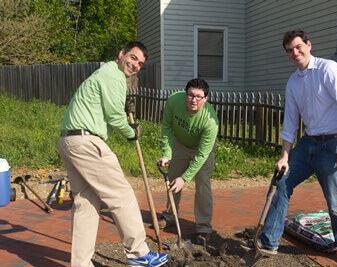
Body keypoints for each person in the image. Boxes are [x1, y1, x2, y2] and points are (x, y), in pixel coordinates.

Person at [245, 30, 337, 267]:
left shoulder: (329, 70)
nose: (295, 53)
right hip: (307, 144)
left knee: (335, 200)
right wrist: (285, 156)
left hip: (333, 144)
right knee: (282, 183)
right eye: (290, 50)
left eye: (298, 47)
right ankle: (269, 243)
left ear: (309, 45)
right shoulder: (293, 82)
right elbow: (289, 123)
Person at [58, 41, 169, 267]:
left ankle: (80, 264)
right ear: (121, 54)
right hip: (86, 142)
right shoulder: (112, 74)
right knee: (122, 195)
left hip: (69, 140)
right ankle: (138, 254)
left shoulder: (106, 75)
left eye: (140, 63)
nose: (135, 64)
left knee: (86, 205)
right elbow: (115, 116)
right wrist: (132, 132)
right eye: (133, 57)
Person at [157, 78, 218, 244]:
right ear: (185, 94)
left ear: (205, 99)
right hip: (180, 144)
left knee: (203, 185)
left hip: (201, 150)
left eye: (199, 97)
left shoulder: (210, 121)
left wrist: (185, 178)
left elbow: (202, 154)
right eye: (191, 95)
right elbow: (167, 127)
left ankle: (204, 228)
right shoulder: (174, 101)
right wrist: (167, 154)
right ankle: (169, 216)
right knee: (172, 179)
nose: (194, 100)